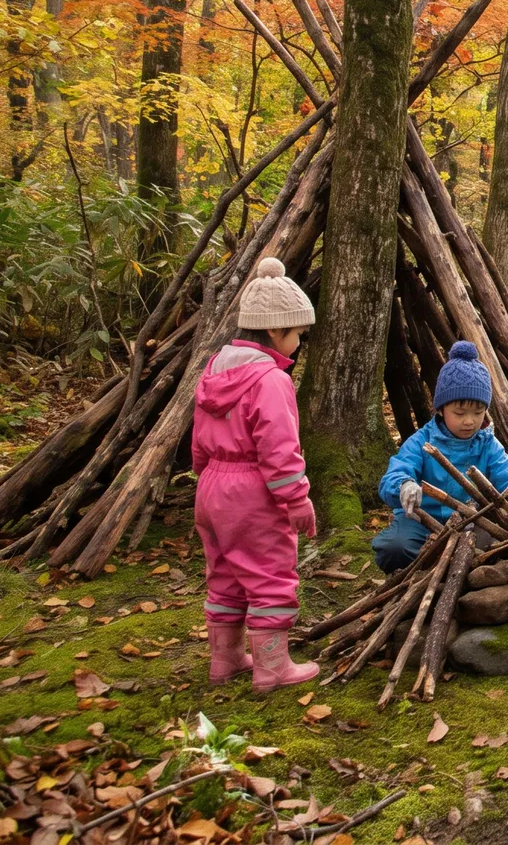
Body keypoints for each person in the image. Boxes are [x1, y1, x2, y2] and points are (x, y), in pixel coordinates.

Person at [191, 257, 321, 693]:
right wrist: (296, 499)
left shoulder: (215, 369)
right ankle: (272, 667)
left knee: (225, 574)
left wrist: (204, 476)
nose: (299, 343)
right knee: (269, 573)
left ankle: (224, 661)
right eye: (297, 333)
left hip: (212, 486)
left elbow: (199, 435)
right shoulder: (269, 380)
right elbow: (279, 448)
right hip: (252, 491)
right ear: (273, 330)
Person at [374, 341, 508, 573]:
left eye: (478, 413)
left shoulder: (488, 444)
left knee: (503, 546)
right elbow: (397, 472)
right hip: (421, 522)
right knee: (394, 549)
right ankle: (433, 567)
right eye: (459, 413)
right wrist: (404, 485)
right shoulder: (422, 441)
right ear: (440, 409)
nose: (469, 421)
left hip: (472, 524)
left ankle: (456, 569)